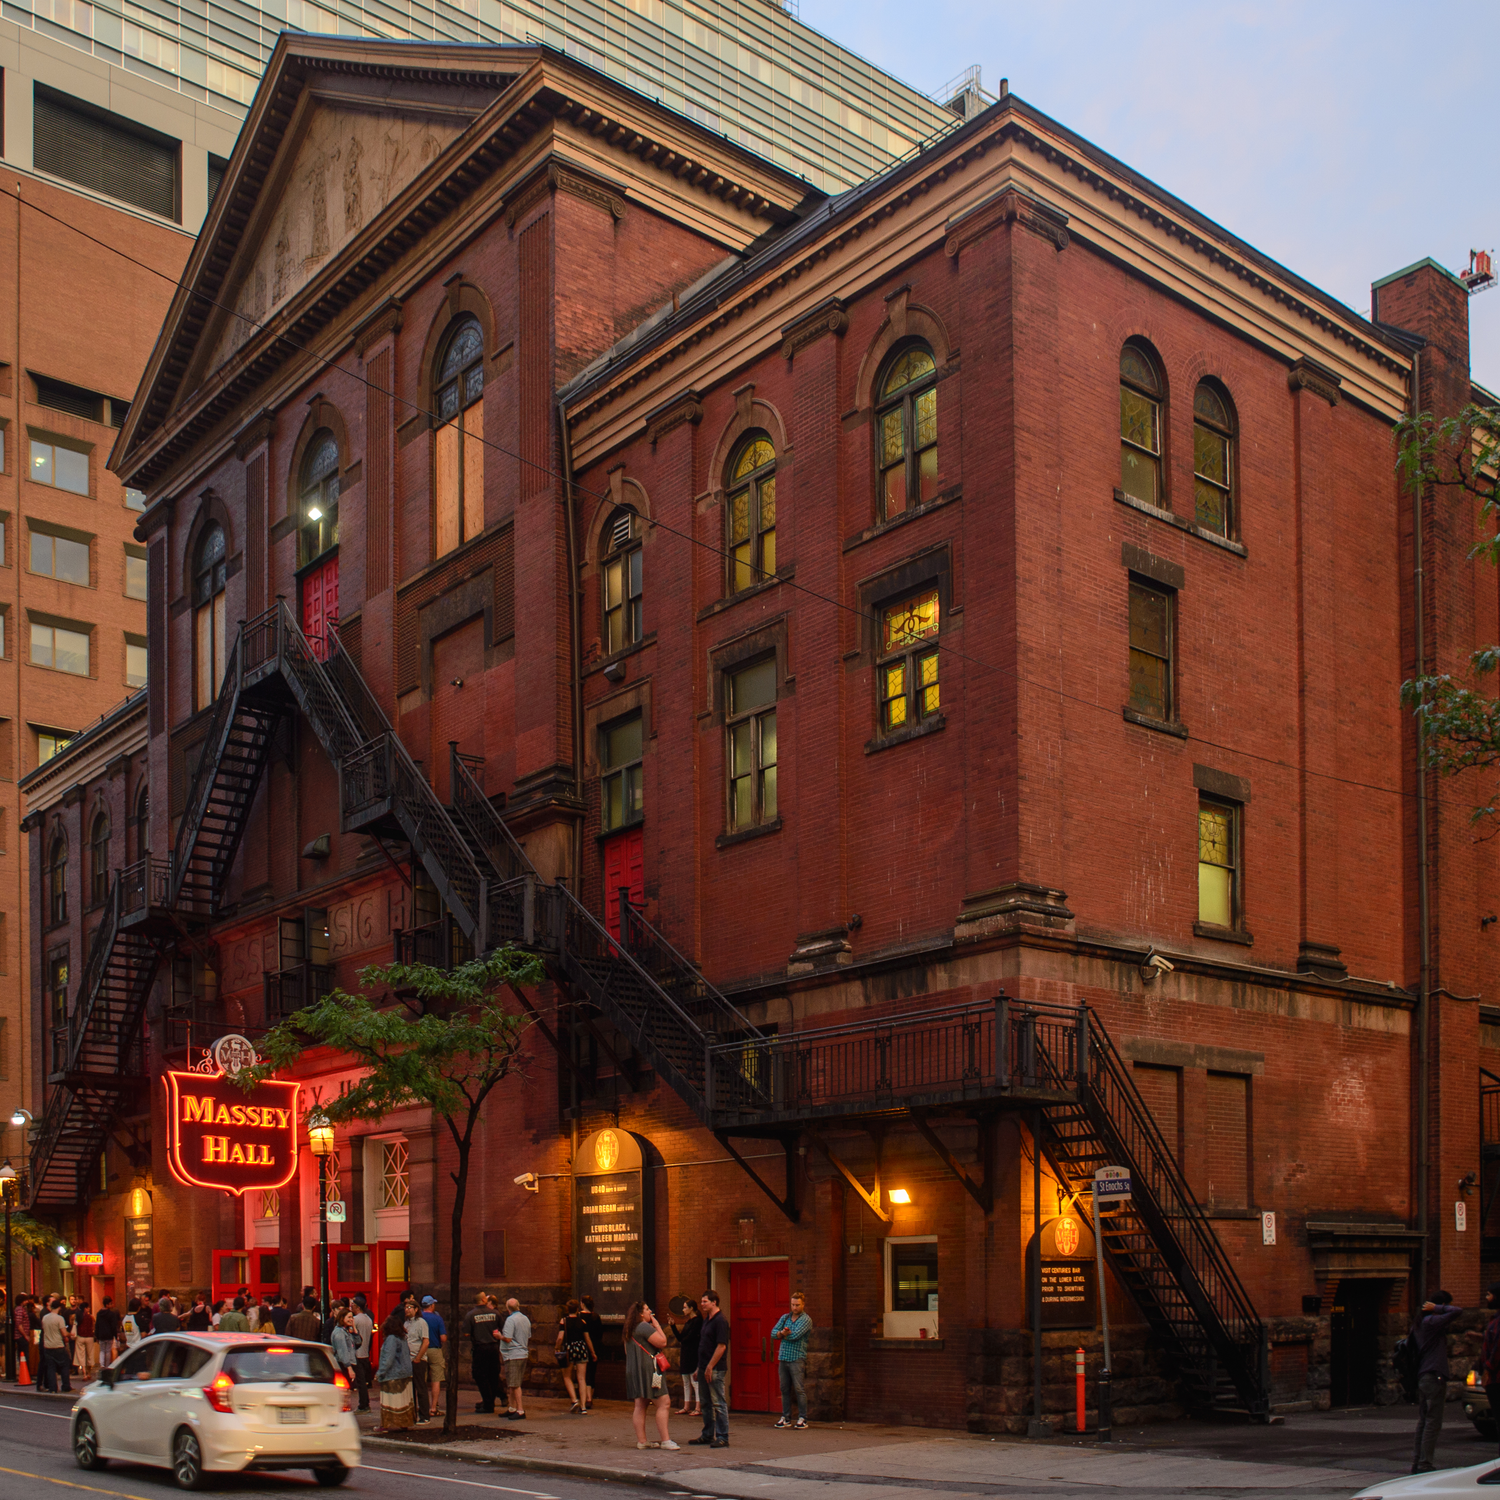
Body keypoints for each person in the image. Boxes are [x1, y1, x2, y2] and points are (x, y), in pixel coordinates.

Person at [1411, 1290, 1464, 1474]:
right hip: (1434, 1375)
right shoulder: (1431, 1322)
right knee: (1433, 1421)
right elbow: (1457, 1311)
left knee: (1424, 1420)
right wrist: (1439, 1308)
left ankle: (1418, 1461)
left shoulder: (1419, 1324)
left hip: (1423, 1376)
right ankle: (1425, 1463)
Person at [625, 1299, 679, 1450]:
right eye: (647, 1309)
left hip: (634, 1370)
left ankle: (642, 1441)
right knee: (664, 1402)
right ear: (641, 1314)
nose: (650, 1312)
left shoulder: (629, 1328)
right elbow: (662, 1342)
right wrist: (656, 1326)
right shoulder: (643, 1326)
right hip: (650, 1370)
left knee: (640, 1404)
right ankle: (666, 1440)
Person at [688, 1290, 730, 1449]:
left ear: (714, 1302)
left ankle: (722, 1436)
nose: (702, 1304)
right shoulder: (707, 1320)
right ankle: (707, 1434)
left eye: (705, 1301)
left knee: (718, 1402)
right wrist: (700, 1367)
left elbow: (721, 1346)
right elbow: (703, 1346)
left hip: (715, 1368)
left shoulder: (720, 1321)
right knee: (705, 1402)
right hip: (704, 1366)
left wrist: (710, 1366)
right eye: (702, 1301)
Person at [771, 1291, 813, 1429]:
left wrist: (782, 1334)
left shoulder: (806, 1320)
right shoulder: (785, 1318)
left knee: (799, 1388)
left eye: (797, 1305)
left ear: (803, 1304)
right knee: (784, 1388)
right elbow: (773, 1333)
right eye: (793, 1304)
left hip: (797, 1358)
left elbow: (795, 1335)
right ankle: (786, 1417)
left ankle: (803, 1417)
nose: (794, 1308)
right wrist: (781, 1333)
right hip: (783, 1357)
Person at [373, 1308, 415, 1434]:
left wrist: (380, 1373)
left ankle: (385, 1425)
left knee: (389, 1401)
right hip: (405, 1374)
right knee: (403, 1401)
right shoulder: (402, 1338)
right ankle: (404, 1423)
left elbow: (388, 1358)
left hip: (393, 1375)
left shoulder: (391, 1339)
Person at [463, 1292, 502, 1414]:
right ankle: (489, 1401)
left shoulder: (470, 1315)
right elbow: (502, 1329)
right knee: (493, 1375)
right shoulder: (496, 1313)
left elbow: (466, 1333)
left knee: (480, 1375)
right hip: (494, 1347)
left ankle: (488, 1402)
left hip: (480, 1348)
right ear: (483, 1300)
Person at [555, 1298, 595, 1414]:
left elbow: (560, 1337)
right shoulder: (582, 1322)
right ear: (577, 1309)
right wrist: (592, 1352)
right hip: (581, 1348)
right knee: (581, 1378)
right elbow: (587, 1339)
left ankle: (574, 1399)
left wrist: (557, 1347)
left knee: (567, 1376)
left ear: (568, 1309)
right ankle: (583, 1407)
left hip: (569, 1349)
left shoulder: (564, 1321)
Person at [498, 1297, 530, 1420]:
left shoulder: (510, 1320)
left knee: (515, 1384)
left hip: (513, 1355)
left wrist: (499, 1336)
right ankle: (512, 1408)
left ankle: (520, 1410)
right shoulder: (525, 1319)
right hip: (523, 1353)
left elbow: (508, 1338)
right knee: (512, 1383)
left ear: (507, 1308)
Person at [1480, 1283, 1500, 1458]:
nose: (1486, 1298)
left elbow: (1498, 1348)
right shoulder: (1494, 1320)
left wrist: (1488, 1369)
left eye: (1489, 1294)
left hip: (1497, 1379)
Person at [404, 1297, 431, 1423]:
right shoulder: (406, 1323)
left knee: (421, 1387)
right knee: (410, 1389)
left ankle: (425, 1416)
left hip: (418, 1360)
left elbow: (425, 1341)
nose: (407, 1310)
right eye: (406, 1307)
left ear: (416, 1309)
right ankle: (412, 1414)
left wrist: (418, 1358)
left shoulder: (421, 1322)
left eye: (410, 1307)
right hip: (408, 1360)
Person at [421, 1295, 448, 1419]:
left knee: (421, 1380)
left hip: (421, 1350)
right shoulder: (437, 1319)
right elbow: (443, 1337)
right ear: (431, 1305)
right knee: (436, 1379)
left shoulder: (419, 1318)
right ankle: (433, 1407)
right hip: (435, 1349)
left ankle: (422, 1407)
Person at [676, 1298, 702, 1417]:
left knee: (694, 1381)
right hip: (685, 1353)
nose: (683, 1310)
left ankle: (698, 1407)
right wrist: (672, 1326)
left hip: (693, 1353)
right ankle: (686, 1406)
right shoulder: (687, 1322)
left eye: (685, 1307)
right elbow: (681, 1338)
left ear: (691, 1308)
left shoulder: (697, 1321)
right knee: (686, 1381)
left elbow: (689, 1338)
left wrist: (683, 1341)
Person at [39, 1297, 70, 1394]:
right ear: (59, 1307)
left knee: (50, 1368)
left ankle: (53, 1388)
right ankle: (66, 1386)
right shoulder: (59, 1319)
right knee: (65, 1366)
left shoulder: (45, 1318)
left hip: (48, 1346)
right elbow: (64, 1333)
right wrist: (70, 1334)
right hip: (58, 1345)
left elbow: (43, 1329)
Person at [580, 1294, 604, 1412]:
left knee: (582, 1374)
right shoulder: (595, 1317)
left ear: (582, 1304)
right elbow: (600, 1334)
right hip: (595, 1347)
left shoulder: (579, 1317)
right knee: (591, 1373)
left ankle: (585, 1398)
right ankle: (590, 1398)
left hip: (581, 1348)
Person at [351, 1295, 375, 1412]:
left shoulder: (356, 1320)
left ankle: (363, 1405)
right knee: (364, 1381)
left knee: (360, 1382)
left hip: (357, 1353)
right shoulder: (368, 1319)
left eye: (352, 1305)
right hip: (365, 1352)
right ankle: (365, 1403)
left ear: (356, 1306)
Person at [331, 1309, 359, 1385]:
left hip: (350, 1363)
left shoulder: (347, 1331)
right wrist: (349, 1368)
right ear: (342, 1318)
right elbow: (342, 1350)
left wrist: (354, 1328)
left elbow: (358, 1343)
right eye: (349, 1317)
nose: (351, 1319)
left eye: (352, 1317)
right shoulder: (339, 1332)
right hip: (343, 1365)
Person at [94, 1297, 120, 1369]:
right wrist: (115, 1335)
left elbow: (97, 1325)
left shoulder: (99, 1313)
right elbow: (113, 1326)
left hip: (101, 1335)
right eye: (111, 1303)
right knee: (108, 1351)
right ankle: (107, 1365)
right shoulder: (111, 1314)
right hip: (109, 1335)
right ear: (107, 1304)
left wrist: (97, 1335)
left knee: (102, 1350)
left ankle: (102, 1364)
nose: (112, 1305)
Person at [74, 1301, 97, 1381]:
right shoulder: (91, 1317)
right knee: (89, 1355)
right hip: (89, 1337)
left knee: (81, 1356)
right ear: (85, 1308)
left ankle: (84, 1374)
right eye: (88, 1307)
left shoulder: (78, 1317)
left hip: (80, 1337)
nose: (89, 1308)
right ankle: (89, 1373)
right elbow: (94, 1327)